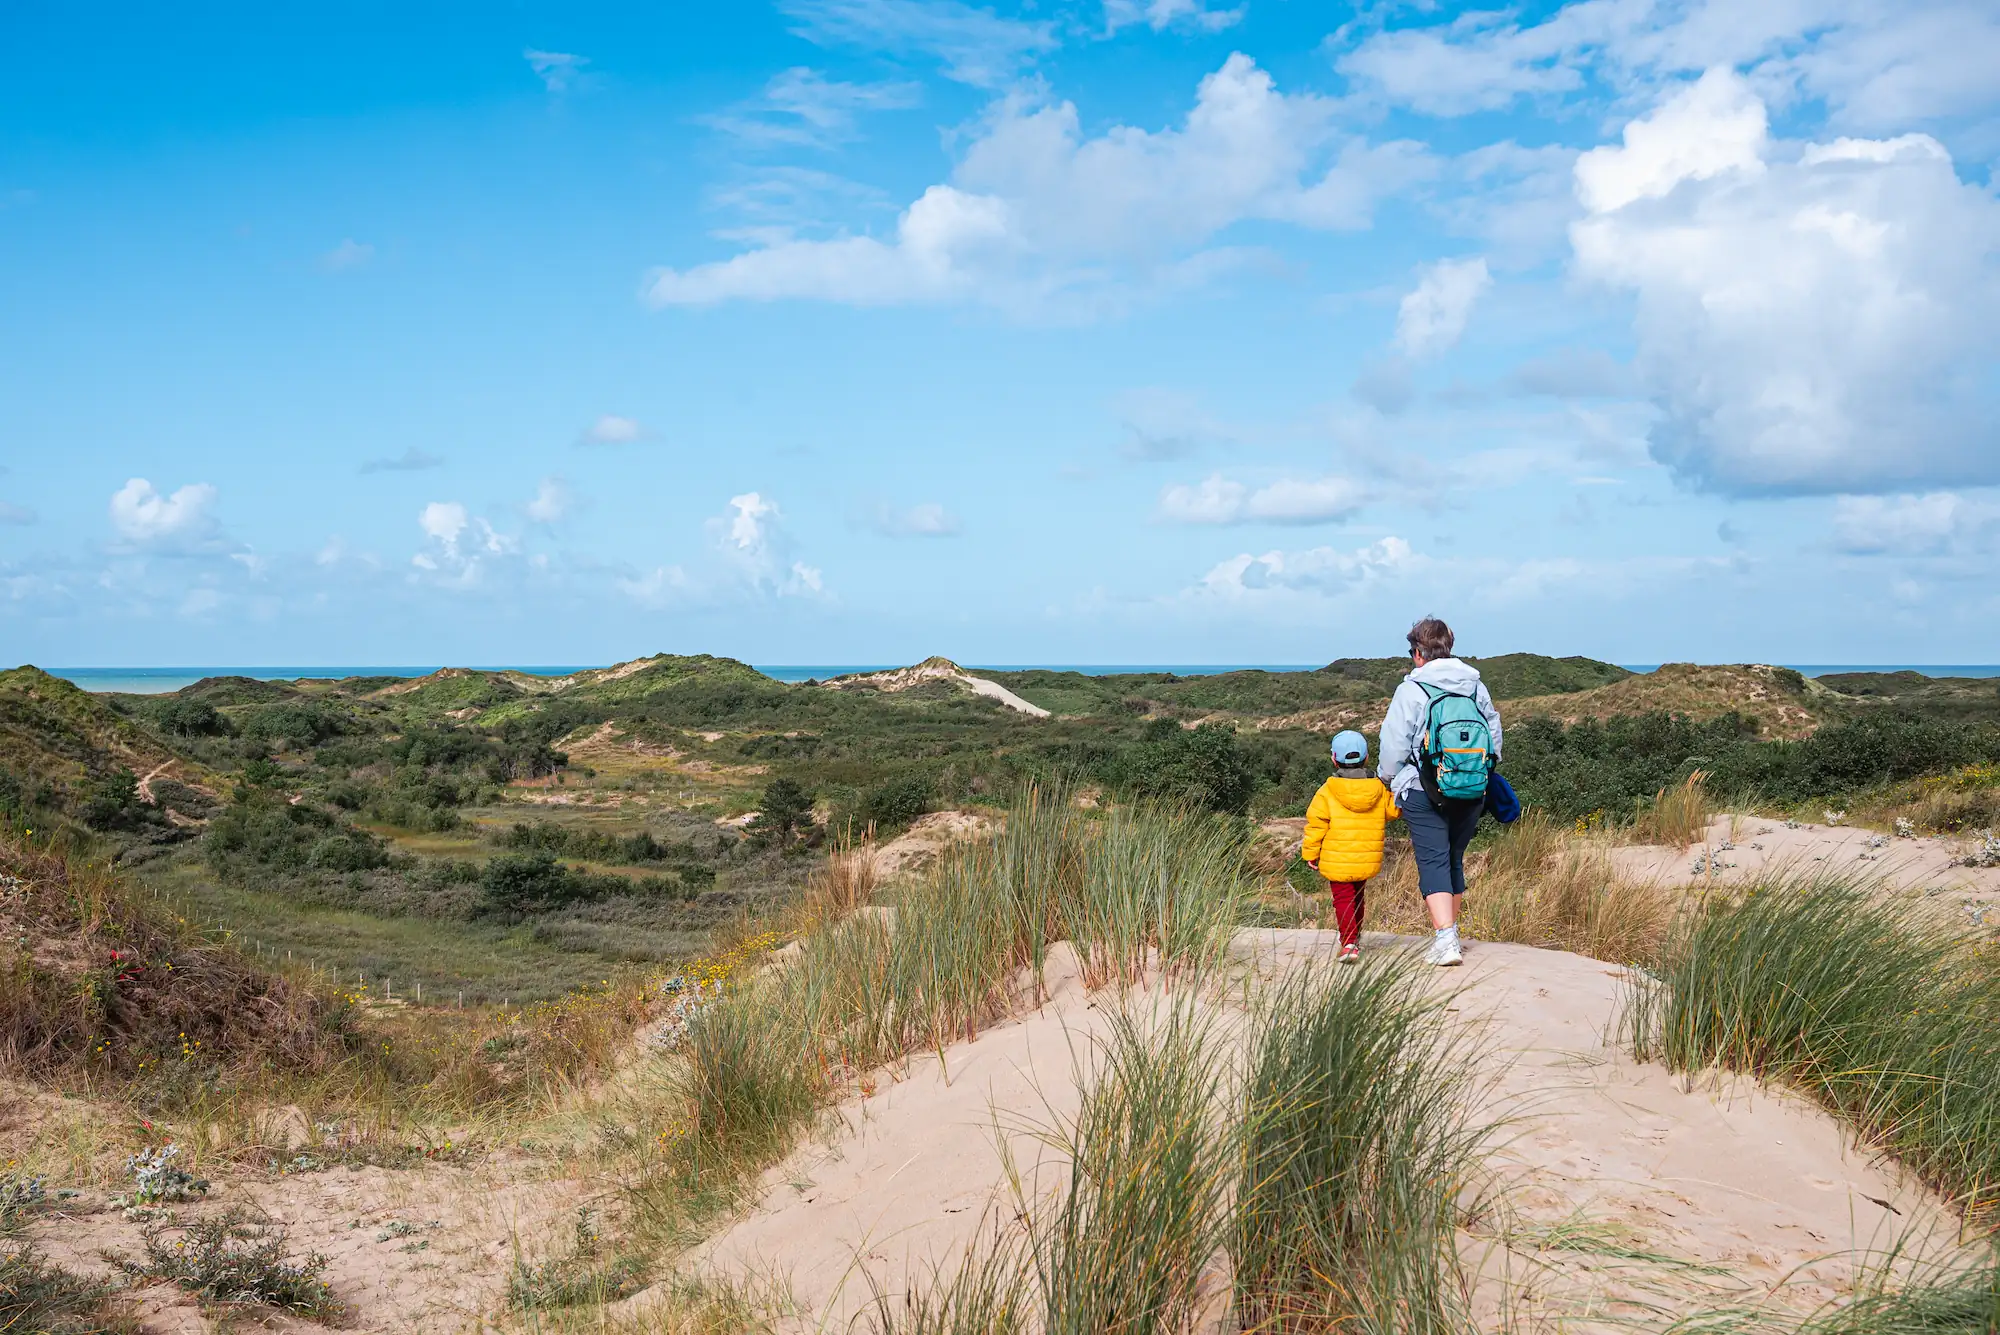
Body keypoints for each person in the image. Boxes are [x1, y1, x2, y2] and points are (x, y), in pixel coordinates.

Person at [1377, 616, 1502, 967]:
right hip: (1472, 786)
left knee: (1433, 859)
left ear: (1418, 653)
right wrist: (1478, 773)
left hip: (1423, 788)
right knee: (1453, 858)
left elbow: (1393, 747)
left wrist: (1387, 779)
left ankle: (1446, 941)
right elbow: (1494, 735)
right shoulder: (1475, 685)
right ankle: (1451, 933)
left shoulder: (1412, 689)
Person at [1300, 729, 1397, 965]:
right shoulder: (1378, 789)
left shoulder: (1326, 791)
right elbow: (1394, 811)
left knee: (1342, 898)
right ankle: (1355, 937)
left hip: (1337, 859)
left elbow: (1316, 824)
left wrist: (1310, 853)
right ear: (1366, 758)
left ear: (1334, 759)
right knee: (1357, 896)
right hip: (1366, 858)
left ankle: (1349, 943)